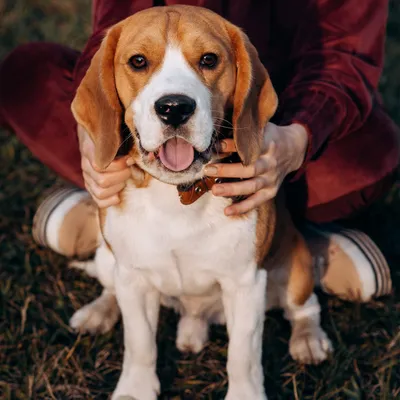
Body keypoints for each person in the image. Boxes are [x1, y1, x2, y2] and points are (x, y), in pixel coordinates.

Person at [0, 0, 398, 302]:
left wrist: (297, 138)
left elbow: (345, 56)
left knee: (374, 154)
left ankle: (286, 248)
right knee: (27, 74)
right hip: (151, 117)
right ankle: (112, 227)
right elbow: (117, 31)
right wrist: (92, 133)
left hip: (270, 105)